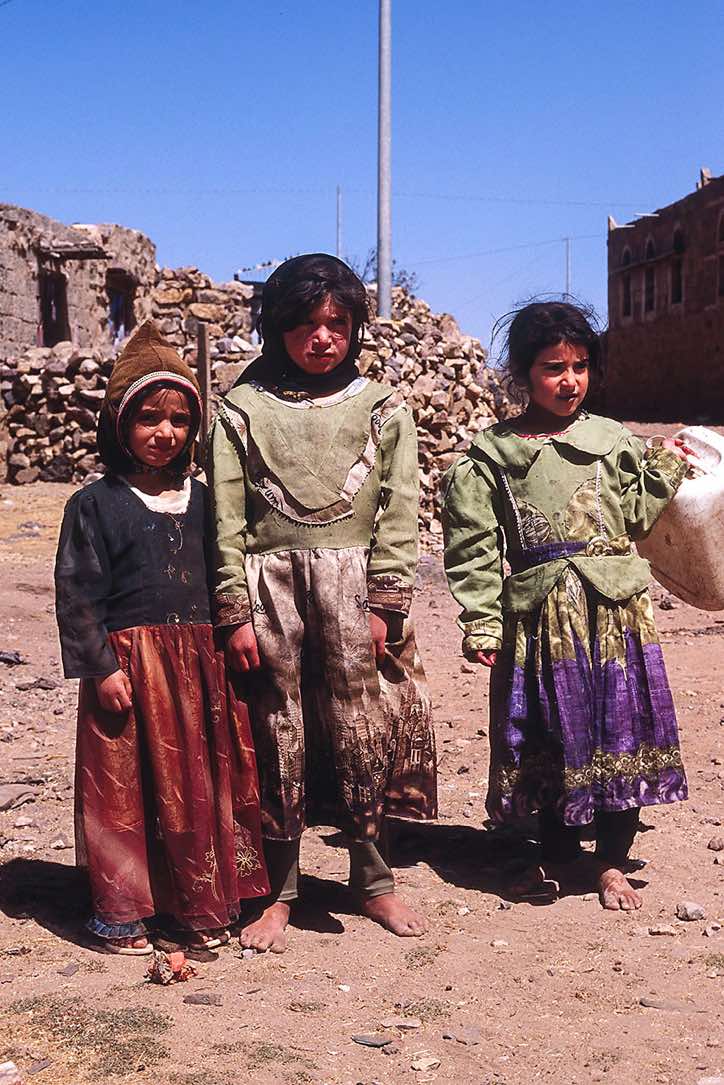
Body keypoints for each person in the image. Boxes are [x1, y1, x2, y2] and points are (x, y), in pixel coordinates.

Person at [208, 254, 437, 953]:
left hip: (355, 595)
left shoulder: (384, 408)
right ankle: (278, 891)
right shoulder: (242, 409)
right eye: (304, 323)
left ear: (356, 328)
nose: (321, 338)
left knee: (361, 728)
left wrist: (386, 603)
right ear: (277, 328)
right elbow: (222, 514)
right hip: (269, 594)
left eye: (337, 323)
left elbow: (400, 510)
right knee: (280, 734)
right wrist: (233, 611)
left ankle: (373, 881)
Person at [442, 300, 690, 911]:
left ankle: (610, 862)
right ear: (524, 372)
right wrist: (482, 620)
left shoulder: (613, 442)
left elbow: (631, 518)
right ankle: (554, 855)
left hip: (615, 616)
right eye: (554, 367)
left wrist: (665, 470)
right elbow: (473, 548)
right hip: (539, 619)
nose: (569, 380)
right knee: (548, 734)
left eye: (580, 366)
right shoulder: (491, 456)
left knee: (619, 728)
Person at [55, 321, 269, 954]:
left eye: (179, 420)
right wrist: (101, 667)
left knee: (198, 783)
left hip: (200, 666)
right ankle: (122, 910)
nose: (164, 433)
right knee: (128, 785)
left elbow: (234, 570)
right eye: (149, 418)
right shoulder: (93, 505)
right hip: (129, 666)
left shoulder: (207, 501)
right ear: (120, 425)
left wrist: (235, 633)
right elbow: (77, 595)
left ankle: (196, 900)